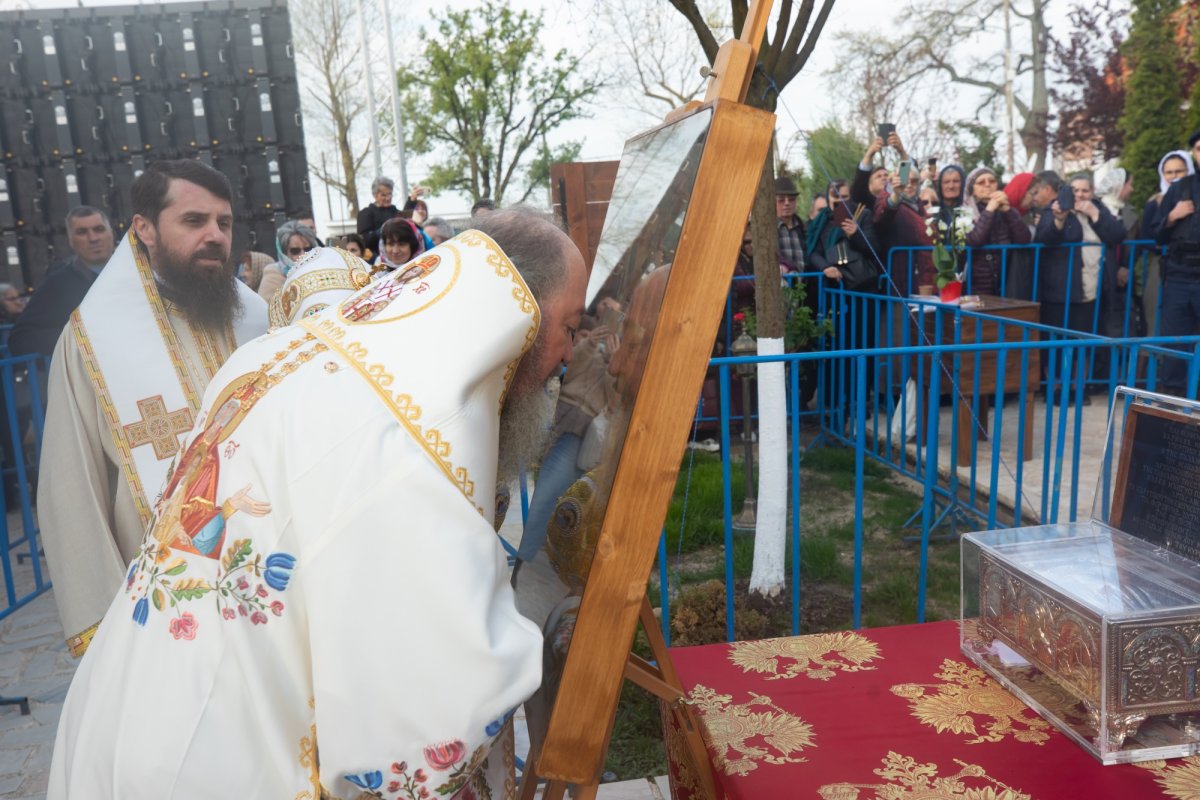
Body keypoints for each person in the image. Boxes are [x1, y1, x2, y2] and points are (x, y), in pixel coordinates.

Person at [49, 207, 588, 799]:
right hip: (218, 768)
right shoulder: (416, 430)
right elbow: (430, 699)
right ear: (520, 316)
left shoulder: (287, 353)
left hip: (124, 721)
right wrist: (537, 650)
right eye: (569, 326)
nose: (568, 354)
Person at [37, 159, 269, 658]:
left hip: (274, 581)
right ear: (143, 228)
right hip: (168, 609)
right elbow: (69, 488)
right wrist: (104, 629)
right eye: (193, 221)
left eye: (223, 223)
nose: (214, 236)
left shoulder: (259, 321)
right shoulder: (92, 341)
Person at [1036, 173, 1126, 396]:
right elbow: (1043, 237)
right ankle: (1055, 388)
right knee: (1054, 342)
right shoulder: (1054, 208)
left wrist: (1094, 214)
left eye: (1085, 190)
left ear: (1092, 192)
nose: (1080, 195)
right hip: (1059, 289)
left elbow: (1117, 235)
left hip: (1091, 289)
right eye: (1075, 190)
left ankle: (1078, 387)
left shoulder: (1098, 208)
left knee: (1083, 342)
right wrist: (1059, 218)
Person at [7, 206, 116, 359]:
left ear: (111, 233)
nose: (93, 238)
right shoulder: (58, 284)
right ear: (71, 241)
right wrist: (83, 340)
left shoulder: (142, 271)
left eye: (99, 229)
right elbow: (20, 339)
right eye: (82, 232)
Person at [1153, 131, 1200, 394]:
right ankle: (1171, 406)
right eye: (1199, 148)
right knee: (1175, 345)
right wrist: (1172, 216)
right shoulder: (1180, 188)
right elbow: (1156, 233)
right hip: (1180, 277)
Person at [1140, 151, 1193, 336]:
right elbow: (1148, 234)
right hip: (1163, 264)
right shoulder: (1155, 202)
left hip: (1191, 269)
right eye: (1168, 172)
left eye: (1179, 171)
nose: (1173, 177)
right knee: (1155, 314)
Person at [962, 166, 1031, 296]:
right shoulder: (964, 213)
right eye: (981, 182)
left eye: (992, 181)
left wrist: (1008, 211)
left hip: (1005, 281)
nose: (988, 185)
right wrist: (989, 210)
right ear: (973, 190)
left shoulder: (1006, 210)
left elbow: (1024, 239)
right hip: (976, 285)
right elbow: (975, 240)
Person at [260, 220, 321, 302]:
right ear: (284, 253)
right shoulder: (273, 275)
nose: (303, 255)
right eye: (295, 251)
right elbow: (269, 309)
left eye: (308, 249)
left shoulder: (321, 269)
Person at [356, 176, 401, 262]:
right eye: (383, 195)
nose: (388, 198)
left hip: (398, 256)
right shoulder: (366, 213)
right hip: (376, 260)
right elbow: (364, 241)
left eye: (390, 194)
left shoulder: (396, 212)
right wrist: (384, 229)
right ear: (375, 195)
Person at [775, 176, 807, 271]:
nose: (787, 203)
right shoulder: (768, 229)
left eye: (791, 199)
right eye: (781, 200)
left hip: (804, 283)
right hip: (779, 282)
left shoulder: (803, 228)